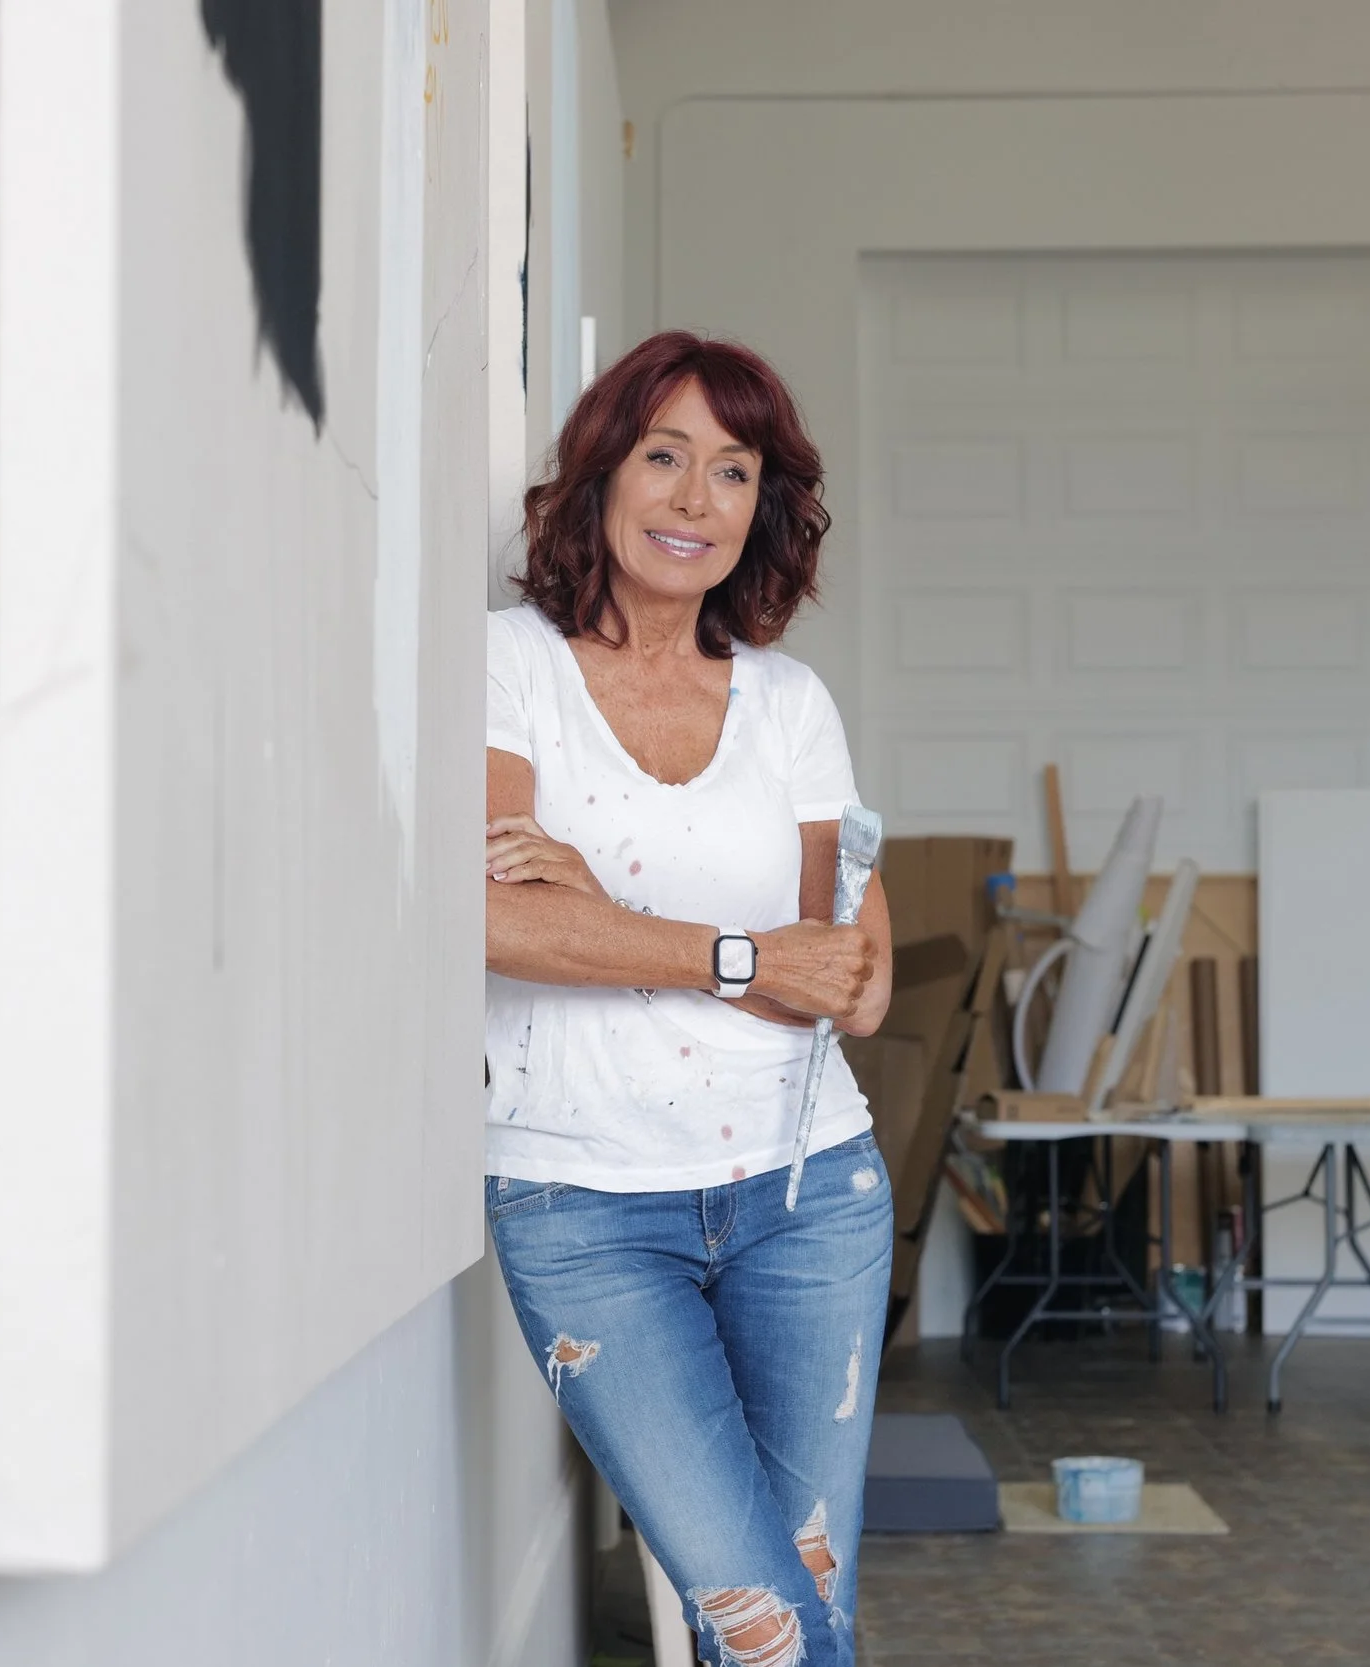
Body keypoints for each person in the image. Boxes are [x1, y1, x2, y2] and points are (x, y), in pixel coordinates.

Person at [483, 329, 894, 1667]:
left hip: (807, 1198)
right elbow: (495, 922)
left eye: (732, 470)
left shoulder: (789, 706)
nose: (692, 498)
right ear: (601, 474)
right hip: (585, 1212)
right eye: (662, 455)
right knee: (764, 1625)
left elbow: (853, 984)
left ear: (759, 510)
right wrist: (743, 955)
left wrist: (604, 909)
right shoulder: (509, 668)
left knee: (807, 1610)